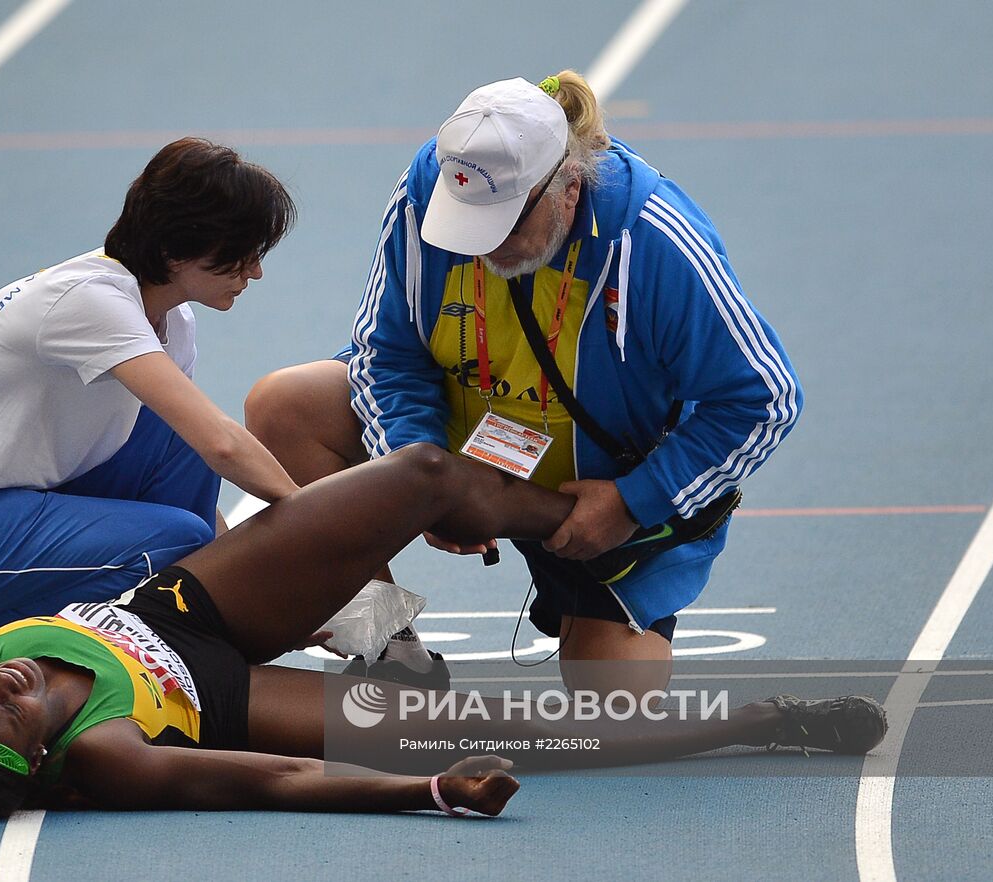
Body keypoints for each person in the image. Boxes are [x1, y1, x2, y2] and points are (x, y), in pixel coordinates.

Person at [0, 444, 883, 822]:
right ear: (40, 755)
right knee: (537, 726)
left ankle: (598, 518)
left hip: (186, 609)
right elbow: (281, 781)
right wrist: (426, 793)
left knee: (422, 477)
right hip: (217, 699)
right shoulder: (107, 753)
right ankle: (772, 722)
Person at [246, 72, 802, 696]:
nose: (484, 247)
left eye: (506, 225)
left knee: (618, 710)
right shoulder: (427, 195)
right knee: (286, 406)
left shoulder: (652, 241)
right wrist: (416, 472)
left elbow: (765, 400)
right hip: (465, 441)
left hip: (596, 491)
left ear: (568, 188)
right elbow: (387, 355)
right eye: (469, 224)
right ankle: (389, 657)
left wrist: (632, 502)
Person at [0, 138, 301, 627]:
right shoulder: (90, 302)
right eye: (241, 254)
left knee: (180, 452)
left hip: (2, 500)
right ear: (174, 252)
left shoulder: (173, 320)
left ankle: (199, 624)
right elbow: (224, 446)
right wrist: (316, 523)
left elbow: (199, 454)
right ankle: (7, 632)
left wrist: (245, 587)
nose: (255, 271)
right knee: (176, 541)